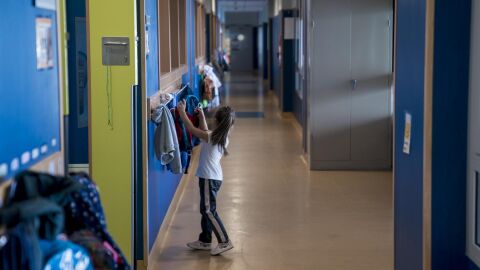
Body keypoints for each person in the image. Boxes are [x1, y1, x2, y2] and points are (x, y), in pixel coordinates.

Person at [177, 101, 236, 256]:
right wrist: (201, 115)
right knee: (205, 210)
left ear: (216, 121)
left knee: (209, 210)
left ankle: (224, 241)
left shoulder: (212, 137)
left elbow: (191, 129)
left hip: (209, 178)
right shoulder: (220, 137)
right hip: (211, 177)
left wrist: (182, 111)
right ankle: (205, 240)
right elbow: (204, 131)